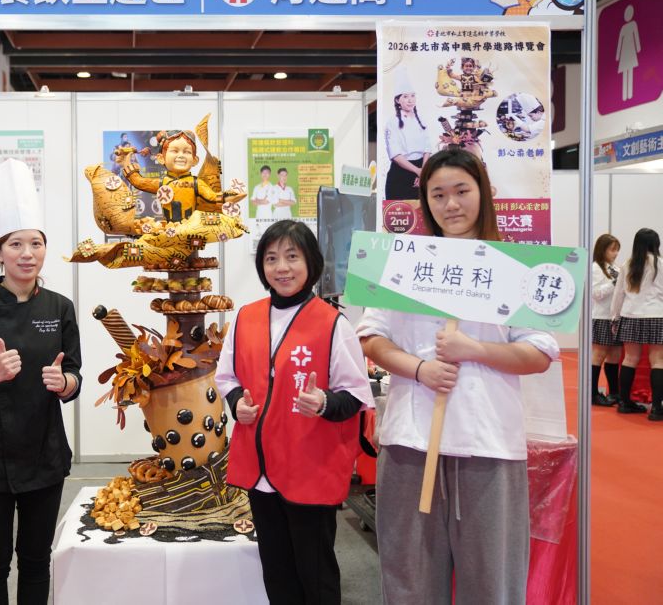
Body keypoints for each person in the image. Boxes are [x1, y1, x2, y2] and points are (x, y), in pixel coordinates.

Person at [357, 147, 558, 604]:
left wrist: (476, 350)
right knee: (409, 579)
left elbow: (539, 352)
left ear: (483, 192)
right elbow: (370, 336)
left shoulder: (515, 266)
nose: (451, 204)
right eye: (438, 194)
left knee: (491, 582)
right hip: (411, 441)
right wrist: (420, 369)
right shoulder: (403, 262)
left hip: (488, 444)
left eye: (462, 191)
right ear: (425, 201)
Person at [216, 219, 373, 604]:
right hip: (261, 468)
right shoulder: (246, 317)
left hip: (310, 467)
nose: (281, 267)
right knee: (277, 570)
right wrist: (237, 404)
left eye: (292, 256)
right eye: (271, 258)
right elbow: (226, 376)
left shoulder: (333, 323)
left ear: (311, 263)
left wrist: (324, 403)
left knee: (315, 572)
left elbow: (356, 395)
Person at [0, 159, 82, 604]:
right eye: (16, 244)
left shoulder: (60, 307)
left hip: (45, 453)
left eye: (36, 243)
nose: (28, 253)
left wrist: (64, 383)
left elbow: (76, 375)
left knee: (36, 558)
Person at [610, 228, 663, 419]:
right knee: (658, 361)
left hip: (630, 315)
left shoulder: (628, 264)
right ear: (656, 244)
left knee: (630, 359)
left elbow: (619, 293)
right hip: (656, 315)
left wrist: (614, 316)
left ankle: (624, 403)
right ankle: (656, 408)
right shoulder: (661, 263)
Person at [384, 72, 432, 200]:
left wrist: (423, 172)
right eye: (405, 97)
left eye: (412, 96)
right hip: (401, 173)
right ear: (397, 100)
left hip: (422, 170)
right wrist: (417, 171)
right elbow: (396, 155)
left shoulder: (421, 119)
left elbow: (427, 148)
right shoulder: (392, 122)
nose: (410, 100)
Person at [592, 233, 623, 406]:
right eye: (612, 249)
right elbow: (596, 294)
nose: (616, 253)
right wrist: (614, 283)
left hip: (615, 317)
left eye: (617, 249)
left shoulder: (616, 268)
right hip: (602, 316)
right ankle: (592, 393)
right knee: (599, 355)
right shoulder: (596, 268)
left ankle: (614, 393)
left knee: (615, 356)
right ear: (602, 249)